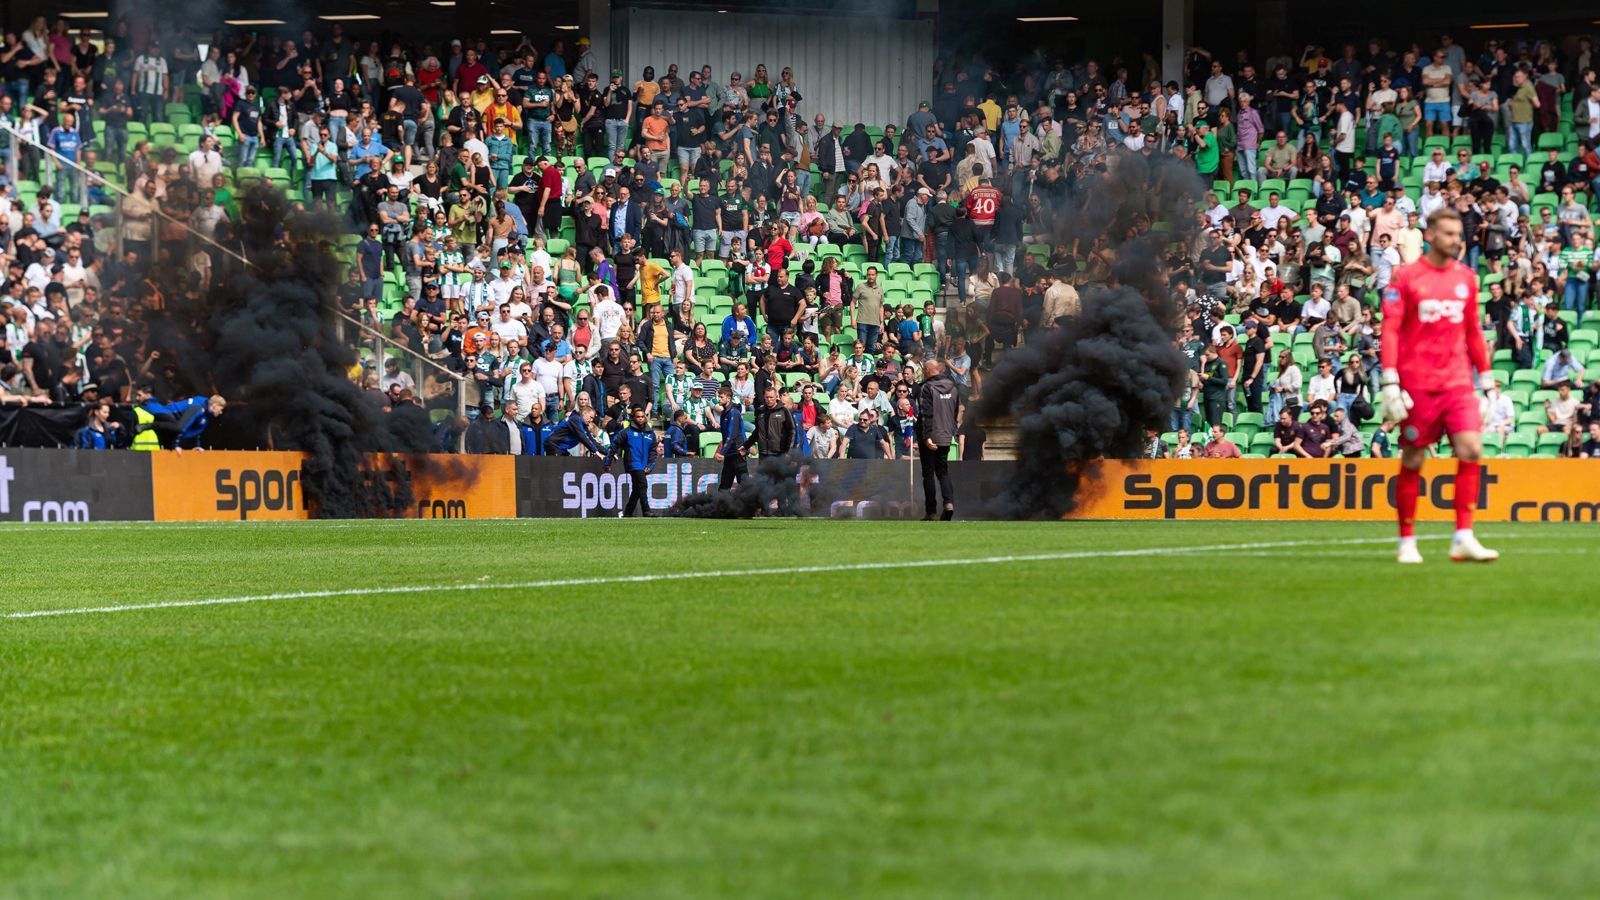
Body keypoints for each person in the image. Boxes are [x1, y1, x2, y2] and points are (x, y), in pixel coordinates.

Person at [1378, 207, 1496, 563]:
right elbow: (1391, 328)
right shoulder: (1405, 277)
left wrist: (1486, 379)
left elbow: (1473, 330)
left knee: (1472, 449)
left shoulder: (1467, 277)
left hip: (1458, 382)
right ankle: (1407, 541)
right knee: (1413, 458)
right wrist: (1389, 379)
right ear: (1429, 235)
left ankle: (1463, 535)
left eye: (1458, 234)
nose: (1455, 240)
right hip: (1417, 384)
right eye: (1448, 233)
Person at [915, 360, 962, 520]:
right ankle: (949, 504)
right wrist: (951, 431)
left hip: (930, 436)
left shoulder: (926, 387)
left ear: (928, 371)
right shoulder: (953, 386)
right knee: (943, 472)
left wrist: (927, 437)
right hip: (946, 435)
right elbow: (957, 411)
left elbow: (926, 414)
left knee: (928, 474)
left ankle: (931, 512)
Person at [609, 405, 662, 517]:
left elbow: (653, 452)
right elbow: (614, 444)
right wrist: (608, 461)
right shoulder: (627, 432)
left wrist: (650, 465)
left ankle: (628, 512)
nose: (640, 419)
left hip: (644, 464)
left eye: (642, 416)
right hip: (633, 462)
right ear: (633, 418)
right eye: (638, 417)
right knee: (643, 484)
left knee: (637, 489)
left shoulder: (650, 433)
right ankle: (646, 510)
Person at [543, 405, 609, 456]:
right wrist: (595, 451)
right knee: (559, 468)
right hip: (553, 444)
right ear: (584, 413)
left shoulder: (583, 426)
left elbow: (592, 441)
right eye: (591, 417)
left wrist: (608, 453)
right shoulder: (575, 419)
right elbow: (582, 437)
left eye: (593, 418)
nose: (591, 420)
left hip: (561, 448)